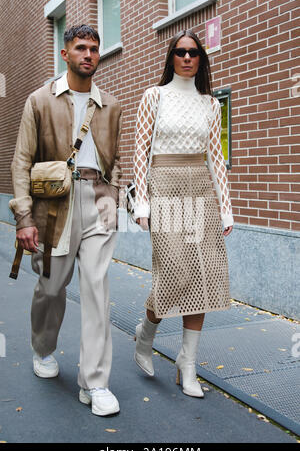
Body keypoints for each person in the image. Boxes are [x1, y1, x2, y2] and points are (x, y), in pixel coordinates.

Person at [9, 25, 122, 416]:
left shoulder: (111, 105)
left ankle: (95, 382)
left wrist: (114, 196)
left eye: (94, 49)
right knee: (52, 286)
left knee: (97, 289)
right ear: (65, 54)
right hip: (53, 203)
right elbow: (22, 161)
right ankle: (43, 347)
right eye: (80, 48)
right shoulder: (40, 100)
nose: (88, 54)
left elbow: (115, 159)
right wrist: (24, 216)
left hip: (99, 201)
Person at [133, 30, 233, 398]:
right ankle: (146, 334)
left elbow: (216, 160)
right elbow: (140, 152)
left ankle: (187, 363)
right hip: (165, 188)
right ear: (171, 57)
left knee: (204, 276)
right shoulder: (154, 96)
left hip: (201, 189)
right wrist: (141, 202)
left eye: (194, 52)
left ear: (201, 59)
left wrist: (226, 207)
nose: (188, 57)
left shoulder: (211, 104)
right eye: (180, 52)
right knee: (175, 269)